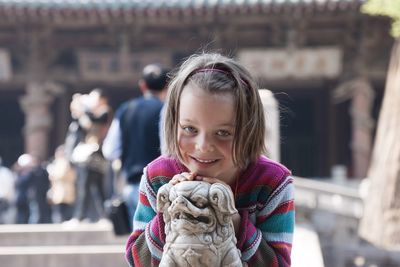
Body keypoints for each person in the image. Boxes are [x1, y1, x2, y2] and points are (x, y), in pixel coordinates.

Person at [125, 53, 295, 266]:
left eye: (223, 133)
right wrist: (170, 214)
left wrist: (233, 221)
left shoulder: (273, 183)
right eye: (189, 129)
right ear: (173, 123)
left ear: (249, 130)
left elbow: (278, 263)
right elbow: (136, 260)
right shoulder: (157, 177)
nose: (203, 146)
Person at [102, 63, 169, 227]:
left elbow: (109, 150)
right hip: (161, 185)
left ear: (142, 85)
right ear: (167, 87)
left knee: (138, 240)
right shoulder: (166, 110)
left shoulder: (125, 110)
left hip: (132, 185)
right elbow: (168, 149)